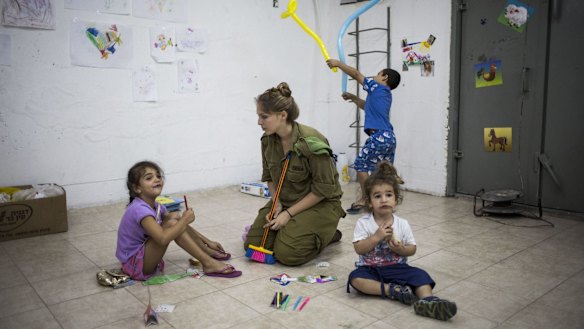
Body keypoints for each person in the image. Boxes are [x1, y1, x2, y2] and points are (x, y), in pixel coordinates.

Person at [243, 82, 346, 266]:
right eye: (259, 116)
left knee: (288, 255)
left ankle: (327, 233)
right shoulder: (267, 140)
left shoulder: (312, 141)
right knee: (252, 245)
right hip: (286, 200)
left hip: (321, 203)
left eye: (264, 117)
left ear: (282, 115)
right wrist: (276, 203)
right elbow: (269, 177)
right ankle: (297, 231)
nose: (259, 122)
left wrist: (289, 214)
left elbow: (323, 190)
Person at [347, 162, 457, 321]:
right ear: (369, 201)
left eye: (389, 195)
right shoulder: (364, 223)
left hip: (397, 267)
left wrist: (400, 249)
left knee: (421, 275)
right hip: (370, 268)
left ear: (396, 200)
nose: (384, 199)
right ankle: (393, 290)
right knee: (355, 279)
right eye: (377, 196)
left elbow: (412, 249)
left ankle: (428, 301)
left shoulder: (402, 224)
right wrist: (376, 237)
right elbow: (359, 249)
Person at [116, 161, 242, 280]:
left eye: (158, 176)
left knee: (174, 217)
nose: (157, 179)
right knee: (173, 223)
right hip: (135, 265)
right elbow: (163, 239)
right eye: (149, 178)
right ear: (137, 188)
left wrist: (208, 242)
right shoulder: (139, 209)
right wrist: (185, 220)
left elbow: (178, 224)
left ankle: (206, 251)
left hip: (143, 257)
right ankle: (208, 263)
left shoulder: (156, 205)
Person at [326, 59, 401, 214]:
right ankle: (386, 201)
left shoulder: (376, 86)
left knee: (361, 166)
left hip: (378, 136)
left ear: (384, 78)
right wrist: (353, 98)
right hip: (390, 138)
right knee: (384, 172)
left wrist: (338, 64)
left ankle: (367, 199)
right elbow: (366, 106)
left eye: (378, 74)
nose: (374, 76)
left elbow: (356, 74)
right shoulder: (384, 95)